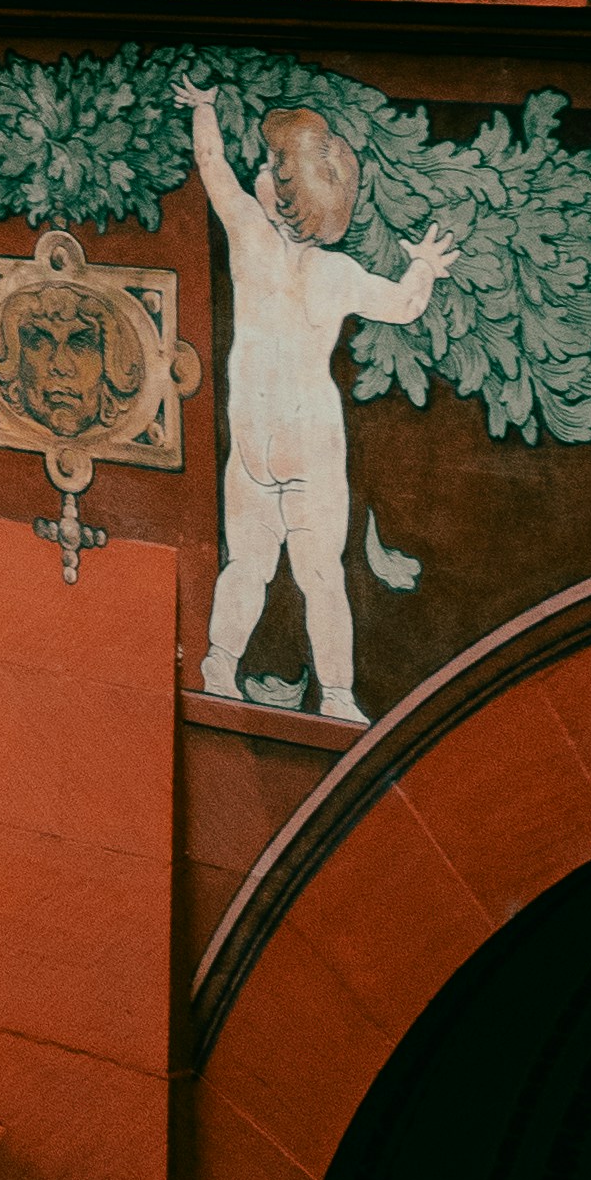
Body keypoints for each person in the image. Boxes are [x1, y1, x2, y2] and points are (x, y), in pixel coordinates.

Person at [184, 79, 456, 724]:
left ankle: (221, 663)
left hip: (254, 442)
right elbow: (406, 305)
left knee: (245, 567)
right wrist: (424, 264)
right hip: (310, 442)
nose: (257, 170)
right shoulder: (339, 274)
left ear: (282, 191)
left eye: (270, 164)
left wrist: (202, 108)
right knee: (321, 576)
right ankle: (336, 695)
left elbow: (211, 165)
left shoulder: (249, 238)